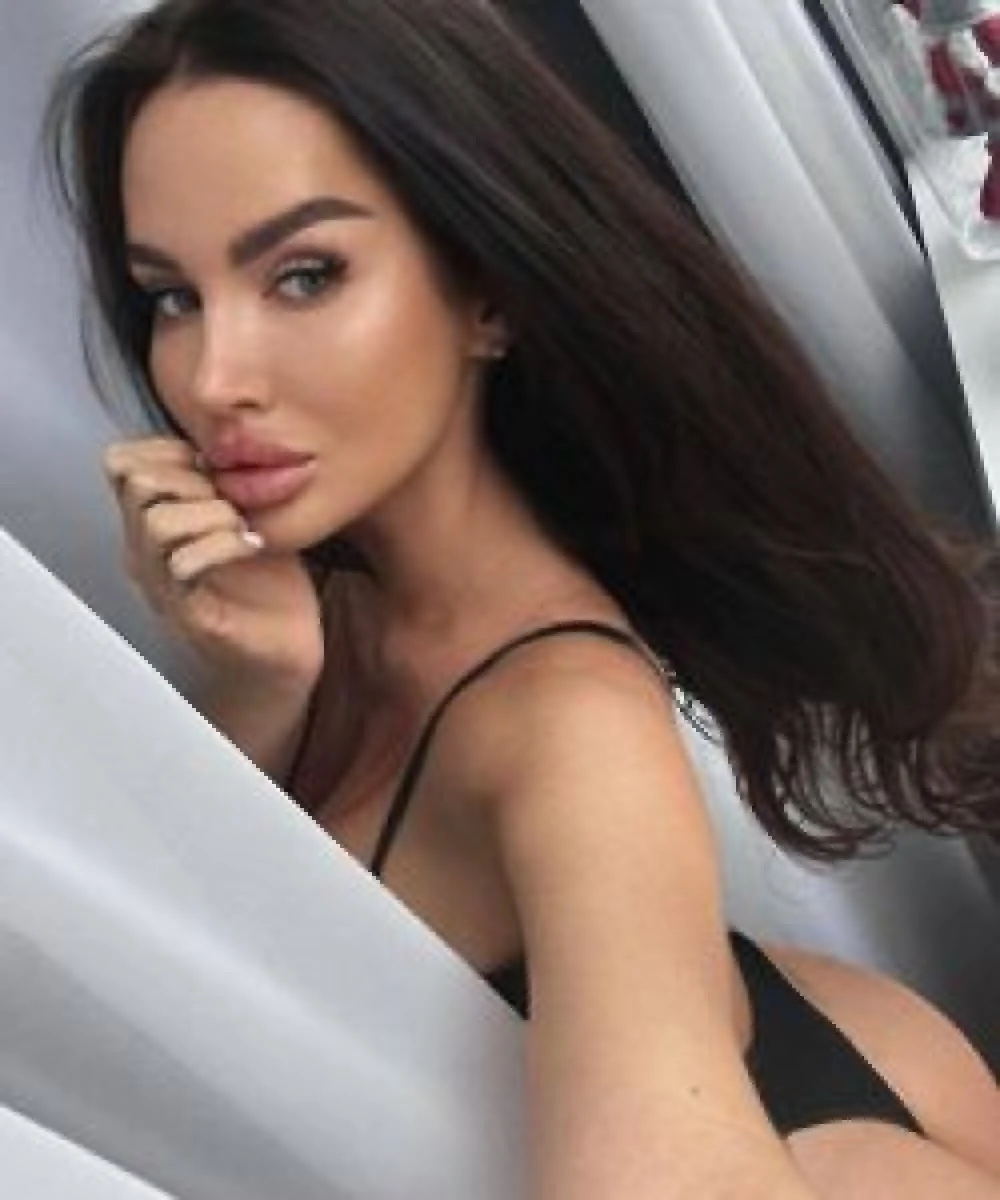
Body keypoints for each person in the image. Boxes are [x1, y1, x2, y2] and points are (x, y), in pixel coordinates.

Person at [44, 0, 1000, 1195]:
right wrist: (258, 691)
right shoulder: (320, 612)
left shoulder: (568, 724)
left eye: (304, 275)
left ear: (486, 291)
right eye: (172, 298)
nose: (212, 377)